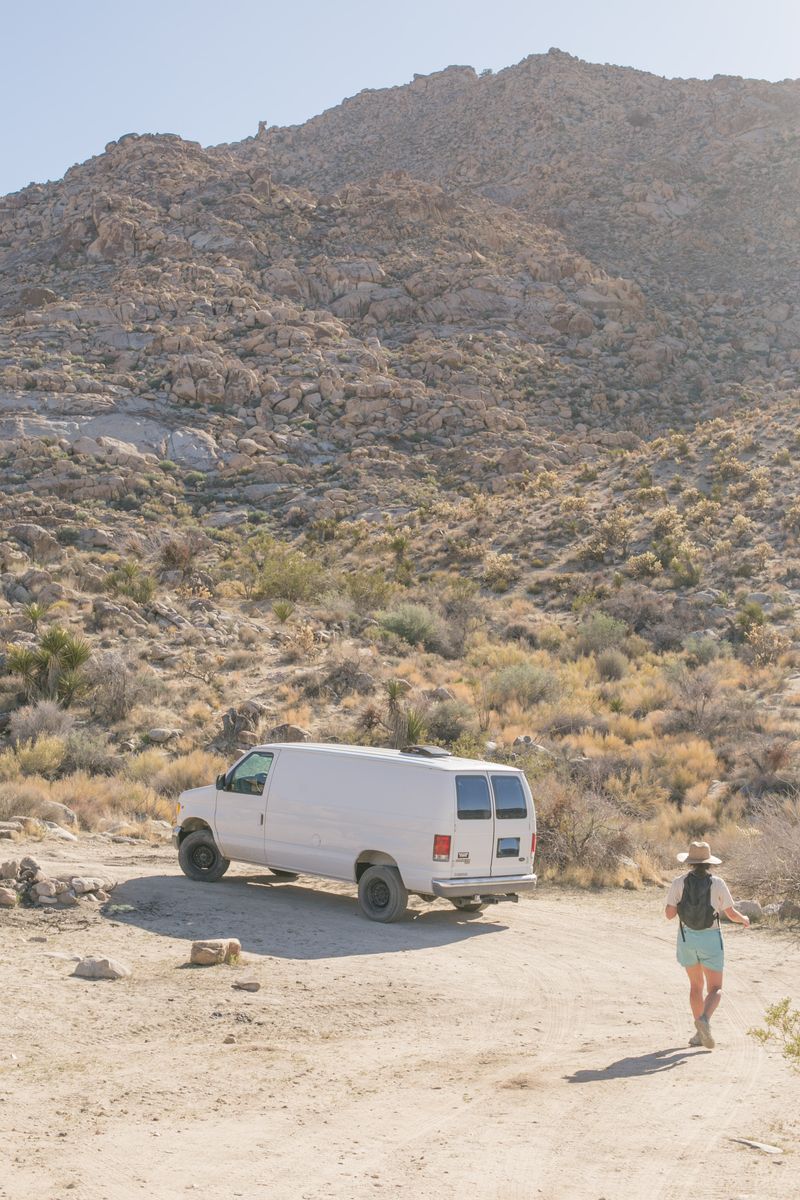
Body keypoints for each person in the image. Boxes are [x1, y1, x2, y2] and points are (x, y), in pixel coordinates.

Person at [664, 840, 750, 1049]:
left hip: (687, 939)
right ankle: (704, 1020)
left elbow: (669, 914)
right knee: (716, 988)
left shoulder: (678, 882)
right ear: (709, 862)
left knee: (696, 987)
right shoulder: (718, 883)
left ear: (690, 862)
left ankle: (698, 1034)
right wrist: (744, 919)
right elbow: (730, 913)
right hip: (711, 939)